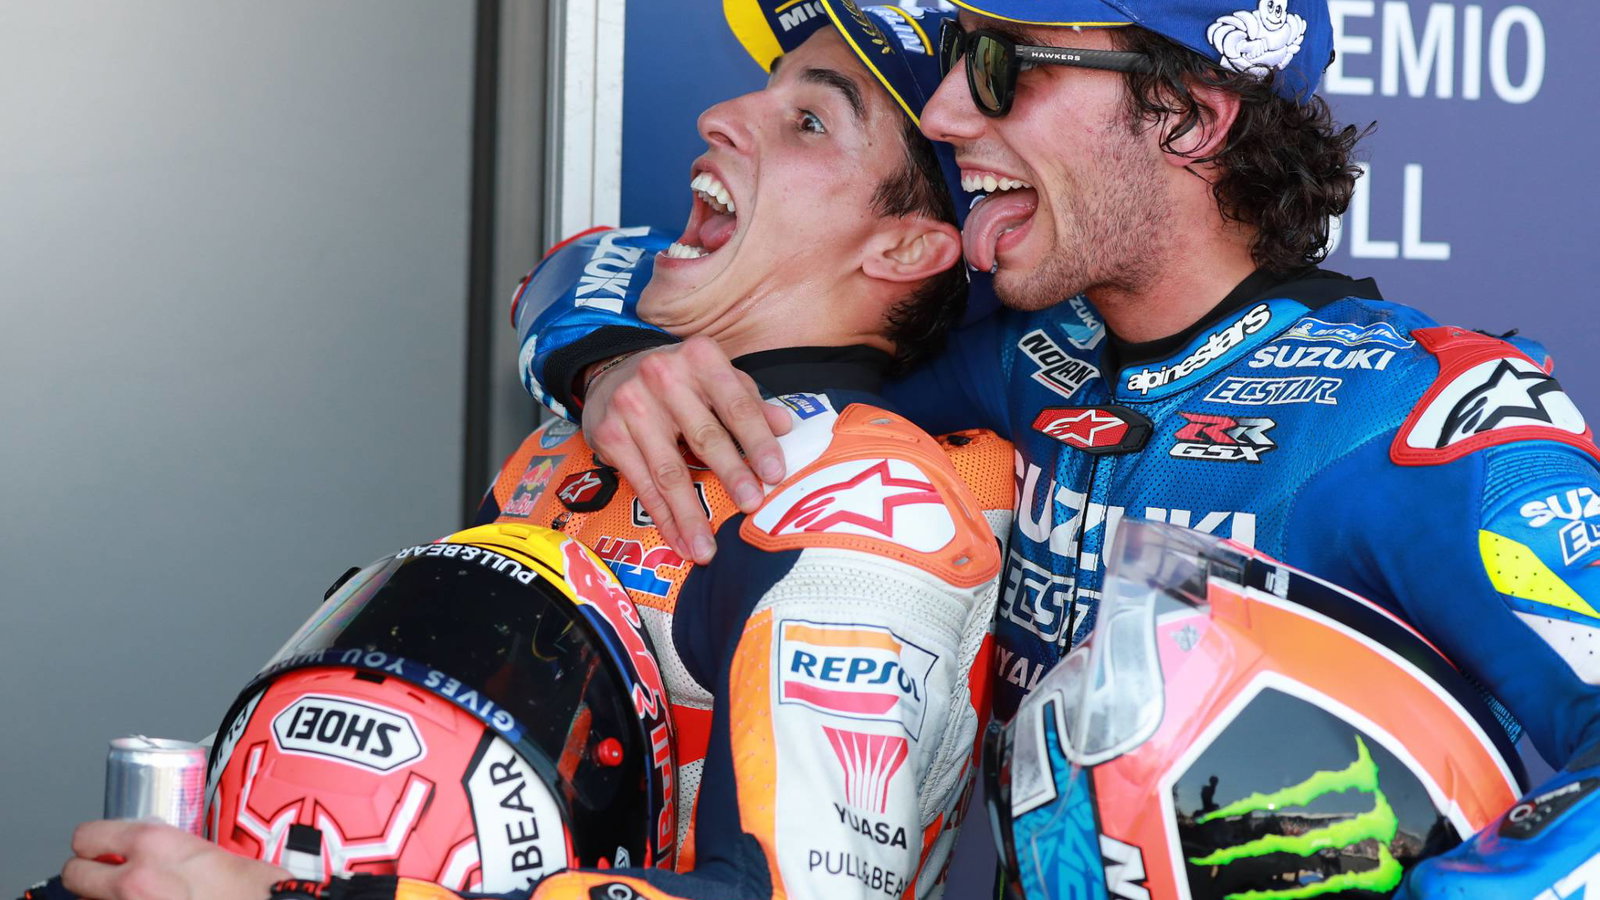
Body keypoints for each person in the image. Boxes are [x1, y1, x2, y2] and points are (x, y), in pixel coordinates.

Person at [515, 0, 1600, 893]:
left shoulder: (1408, 415)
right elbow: (614, 264)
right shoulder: (1019, 352)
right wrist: (606, 360)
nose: (945, 111)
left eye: (1003, 68)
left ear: (1191, 118)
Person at [46, 4, 1016, 900]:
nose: (720, 116)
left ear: (903, 249)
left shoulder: (864, 499)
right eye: (761, 91)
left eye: (809, 122)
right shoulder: (573, 433)